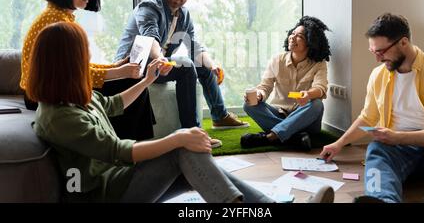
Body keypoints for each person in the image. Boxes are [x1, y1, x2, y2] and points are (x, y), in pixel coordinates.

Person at [28, 21, 273, 203]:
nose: (89, 57)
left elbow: (113, 104)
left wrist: (146, 81)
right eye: (84, 53)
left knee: (190, 156)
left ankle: (260, 204)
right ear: (67, 62)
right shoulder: (60, 117)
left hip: (118, 179)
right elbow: (119, 151)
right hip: (104, 194)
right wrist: (177, 137)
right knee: (181, 148)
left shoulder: (72, 96)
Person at [320, 13, 424, 203]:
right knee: (377, 149)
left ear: (403, 42)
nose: (378, 59)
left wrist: (397, 137)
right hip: (399, 150)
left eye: (381, 52)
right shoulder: (378, 75)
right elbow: (368, 117)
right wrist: (339, 143)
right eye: (373, 52)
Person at [20, 0, 155, 141]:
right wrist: (118, 72)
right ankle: (131, 146)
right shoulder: (56, 22)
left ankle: (134, 143)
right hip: (43, 93)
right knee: (129, 84)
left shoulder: (60, 16)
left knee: (129, 83)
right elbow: (72, 73)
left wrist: (113, 67)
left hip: (50, 87)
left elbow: (77, 65)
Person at [115, 0, 249, 146]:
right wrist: (160, 59)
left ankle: (219, 116)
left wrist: (212, 65)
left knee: (203, 66)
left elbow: (194, 46)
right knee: (186, 66)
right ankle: (192, 133)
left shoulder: (184, 15)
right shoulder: (149, 7)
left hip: (160, 64)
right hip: (136, 65)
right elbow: (150, 37)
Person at [240, 16, 330, 150]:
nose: (293, 37)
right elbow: (265, 86)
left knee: (317, 104)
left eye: (299, 36)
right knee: (249, 105)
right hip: (279, 113)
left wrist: (308, 94)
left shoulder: (319, 64)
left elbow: (320, 88)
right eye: (292, 33)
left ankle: (270, 137)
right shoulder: (277, 60)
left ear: (310, 43)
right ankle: (294, 137)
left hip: (305, 120)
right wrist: (259, 95)